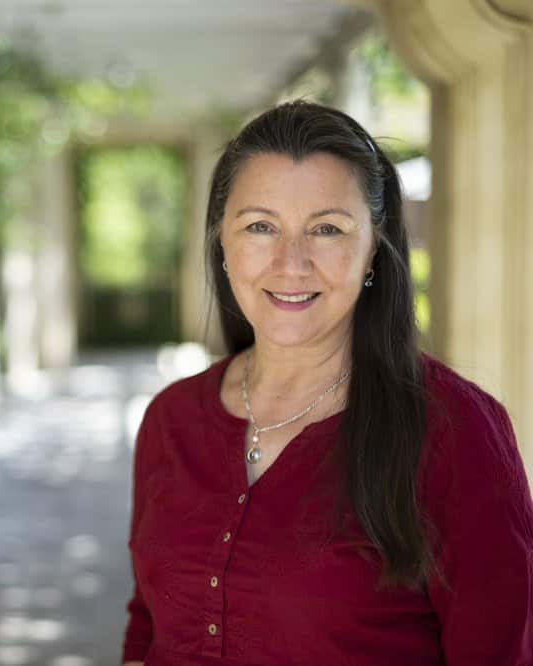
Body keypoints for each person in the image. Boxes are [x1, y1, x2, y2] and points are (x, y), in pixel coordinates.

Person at [121, 100, 533, 665]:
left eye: (328, 229)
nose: (292, 263)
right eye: (260, 226)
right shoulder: (171, 418)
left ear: (373, 248)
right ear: (222, 242)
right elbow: (147, 623)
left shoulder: (455, 431)